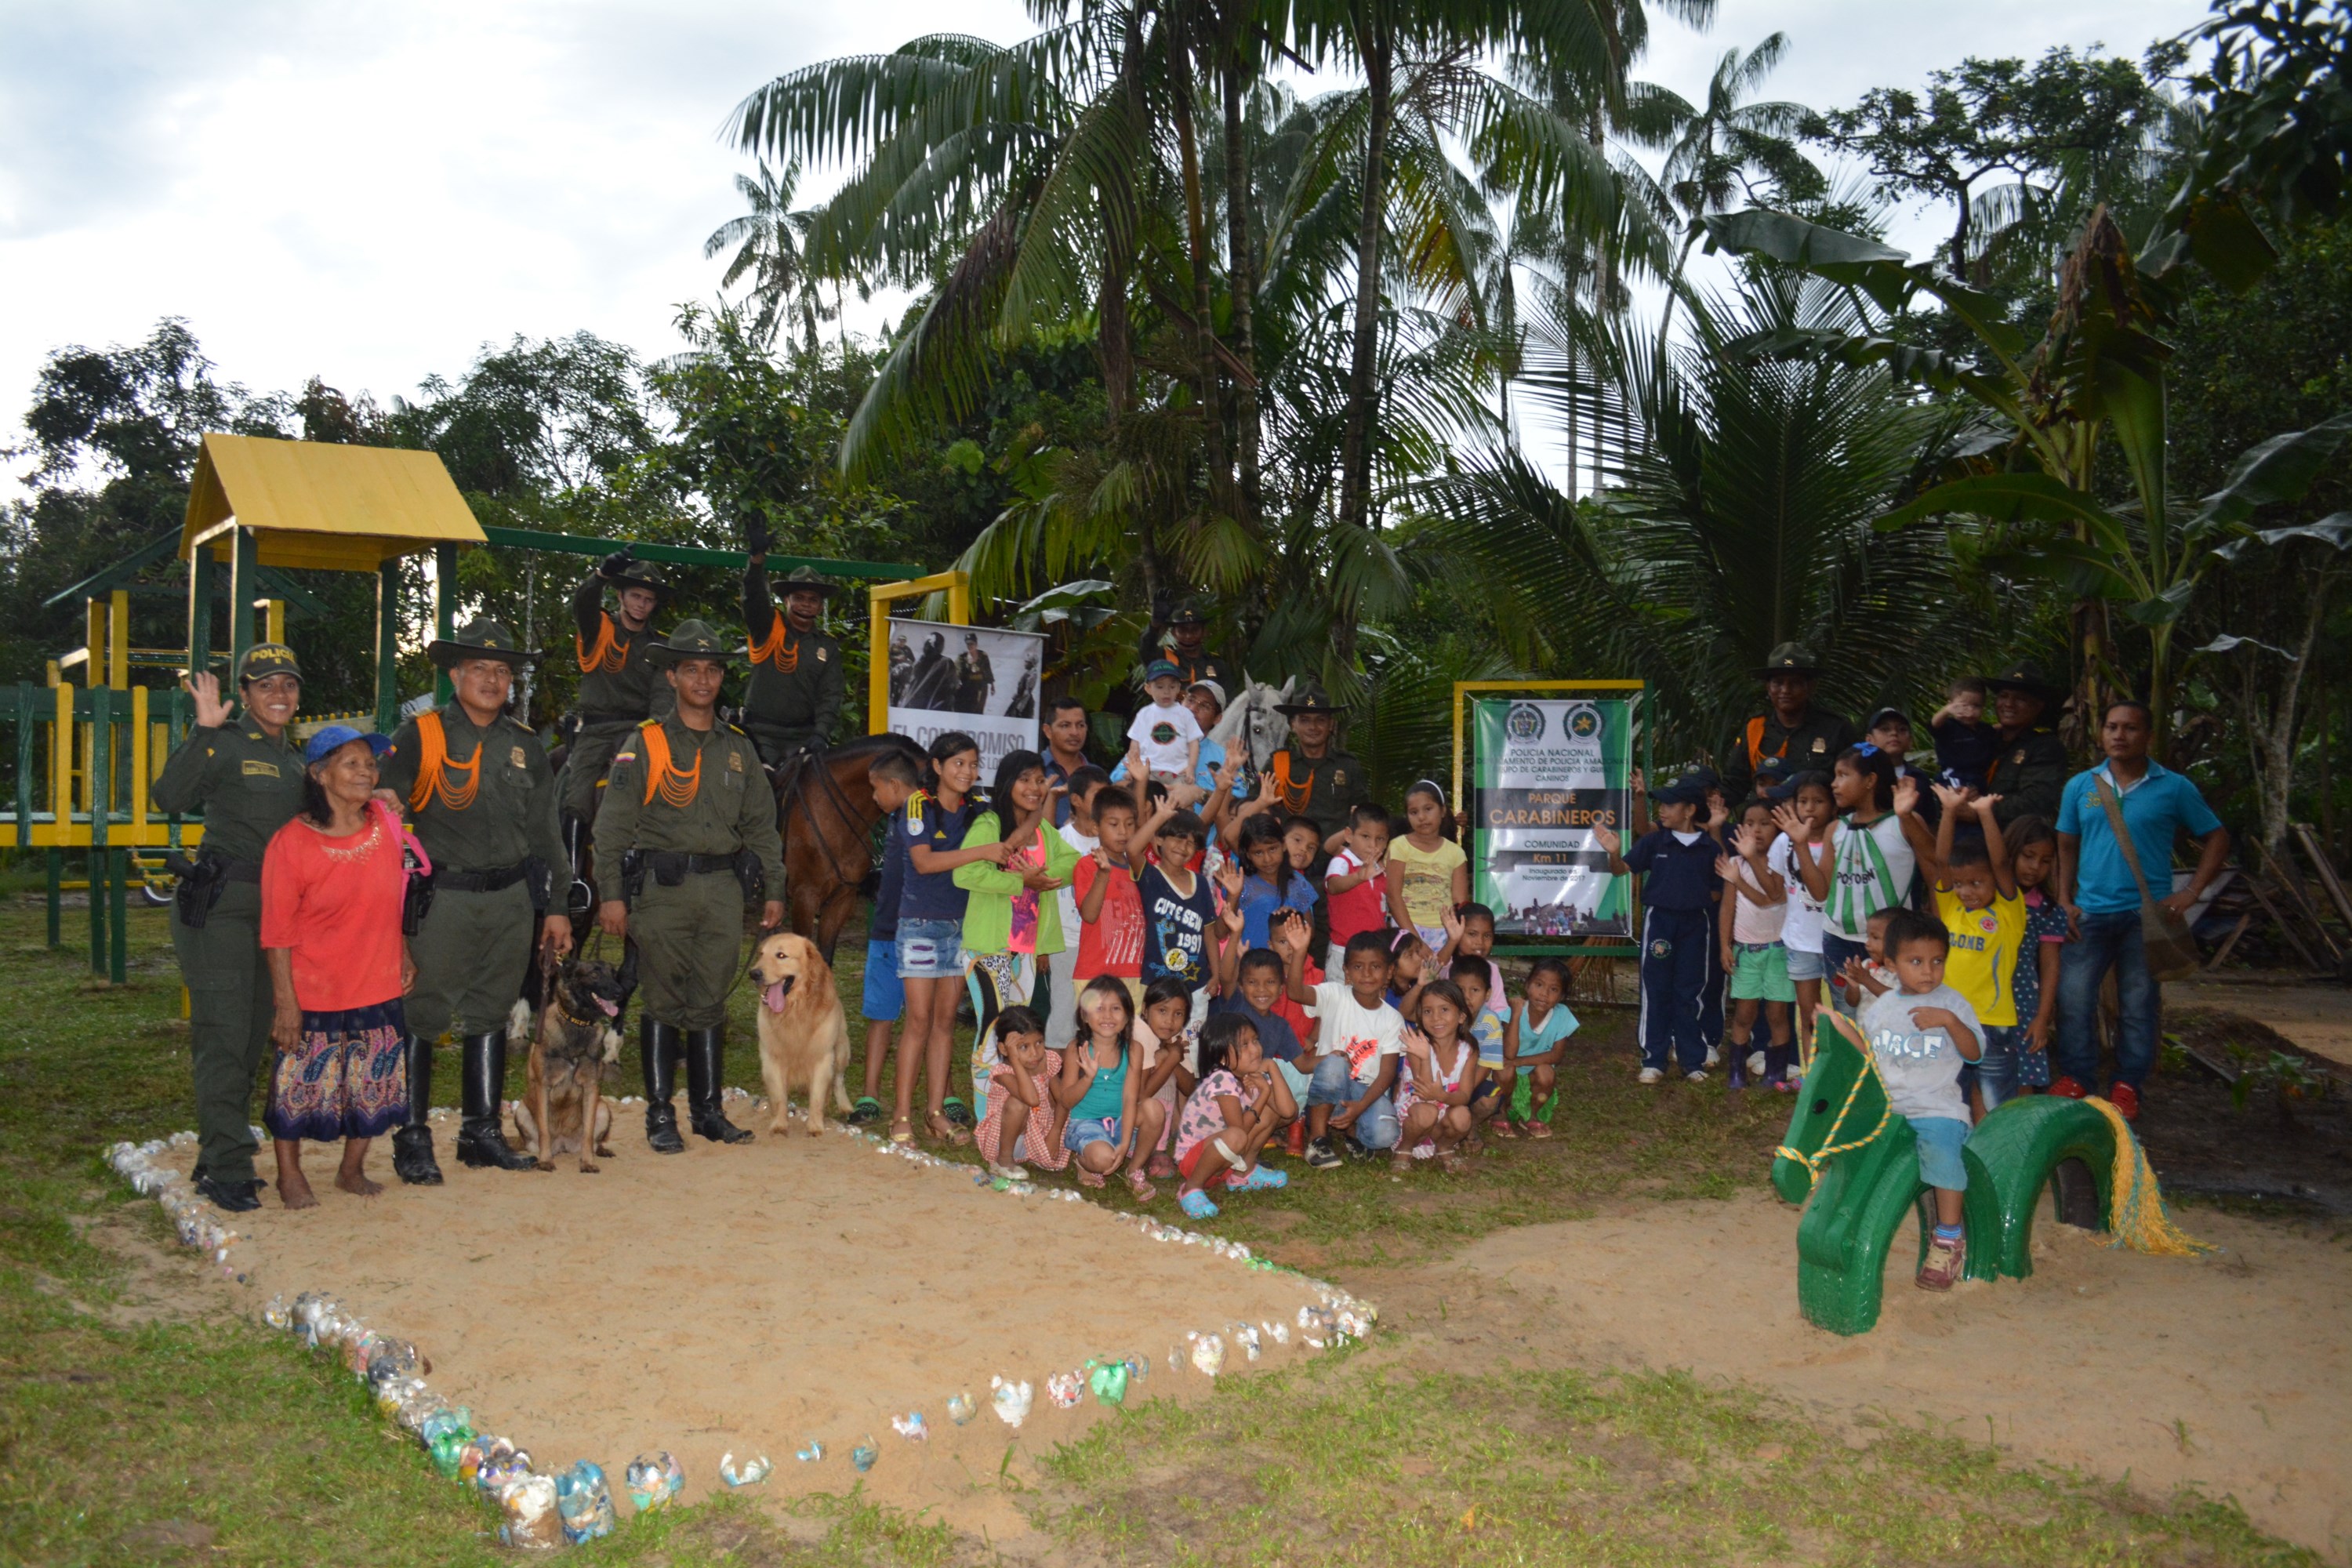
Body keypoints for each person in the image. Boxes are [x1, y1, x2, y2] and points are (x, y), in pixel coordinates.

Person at [379, 618, 571, 1184]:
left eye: (502, 670)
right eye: (480, 668)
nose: (491, 679)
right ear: (456, 674)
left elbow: (546, 832)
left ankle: (479, 1132)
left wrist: (556, 903)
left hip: (510, 898)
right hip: (444, 898)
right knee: (425, 1011)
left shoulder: (525, 745)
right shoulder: (422, 735)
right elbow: (387, 814)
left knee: (490, 1010)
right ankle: (412, 1136)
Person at [592, 619, 787, 1153]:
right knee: (663, 1000)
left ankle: (706, 1113)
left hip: (723, 891)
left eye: (713, 670)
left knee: (709, 1002)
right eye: (692, 670)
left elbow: (761, 827)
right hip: (663, 890)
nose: (704, 679)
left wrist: (775, 887)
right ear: (673, 676)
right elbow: (611, 826)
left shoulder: (739, 749)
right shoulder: (646, 743)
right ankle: (660, 1114)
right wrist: (610, 892)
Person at [153, 644, 310, 1212]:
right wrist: (203, 732)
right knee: (222, 1035)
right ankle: (227, 1167)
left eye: (288, 685)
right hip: (221, 907)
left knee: (250, 1038)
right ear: (244, 693)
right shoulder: (224, 743)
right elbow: (170, 796)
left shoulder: (296, 761)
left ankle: (216, 1151)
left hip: (275, 918)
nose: (278, 695)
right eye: (264, 684)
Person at [259, 726, 415, 1209]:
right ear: (319, 774)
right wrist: (286, 1002)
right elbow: (277, 933)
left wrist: (404, 953)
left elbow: (395, 898)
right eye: (351, 763)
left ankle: (351, 1170)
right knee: (298, 1088)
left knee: (375, 1083)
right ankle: (290, 1176)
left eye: (370, 763)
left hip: (377, 980)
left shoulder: (386, 826)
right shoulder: (291, 843)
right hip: (316, 988)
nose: (366, 771)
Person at [2052, 701, 2230, 1118]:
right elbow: (2065, 842)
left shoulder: (2174, 787)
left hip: (2145, 917)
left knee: (2138, 1001)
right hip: (2089, 913)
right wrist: (2064, 898)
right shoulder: (2081, 785)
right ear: (2101, 733)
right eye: (2112, 727)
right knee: (2072, 997)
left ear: (2147, 735)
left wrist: (2192, 892)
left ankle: (2127, 1086)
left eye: (2130, 728)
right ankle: (2078, 1078)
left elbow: (2217, 838)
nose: (2119, 735)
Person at [1842, 909, 1984, 1290]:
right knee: (1853, 1150)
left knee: (1942, 1153)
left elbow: (1975, 1054)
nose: (1928, 971)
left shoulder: (1953, 1004)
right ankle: (1851, 1226)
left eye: (1937, 961)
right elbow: (1868, 1057)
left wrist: (1951, 1023)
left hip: (1936, 1106)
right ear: (1890, 963)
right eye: (1916, 961)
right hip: (1889, 1106)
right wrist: (1838, 1027)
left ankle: (1948, 1239)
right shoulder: (1883, 1007)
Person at [884, 731, 1002, 1146]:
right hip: (919, 924)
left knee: (945, 1022)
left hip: (961, 928)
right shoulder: (920, 804)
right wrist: (984, 852)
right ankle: (900, 1115)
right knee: (917, 1020)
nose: (967, 772)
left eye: (973, 764)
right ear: (937, 767)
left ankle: (936, 1114)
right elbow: (924, 861)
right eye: (958, 764)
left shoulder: (979, 808)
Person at [956, 750, 1080, 1119]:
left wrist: (1041, 874)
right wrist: (1019, 879)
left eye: (1040, 780)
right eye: (1025, 779)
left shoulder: (1043, 830)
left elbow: (1074, 862)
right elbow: (964, 874)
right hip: (989, 948)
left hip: (1027, 952)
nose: (1034, 787)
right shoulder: (990, 825)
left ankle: (1012, 1111)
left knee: (1018, 1037)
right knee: (992, 1032)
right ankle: (986, 1120)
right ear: (1009, 783)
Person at [1776, 747, 1935, 998]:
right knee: (1848, 1019)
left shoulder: (1903, 822)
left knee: (1896, 1012)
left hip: (1893, 941)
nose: (1835, 784)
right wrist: (1800, 845)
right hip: (1839, 939)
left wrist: (1905, 815)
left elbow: (1935, 864)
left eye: (1843, 775)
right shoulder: (1836, 829)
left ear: (1870, 780)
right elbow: (1819, 893)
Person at [1594, 775, 1720, 1084]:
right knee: (1656, 988)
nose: (1661, 810)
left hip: (1695, 925)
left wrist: (1690, 900)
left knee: (1690, 990)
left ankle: (1692, 1060)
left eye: (1669, 804)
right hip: (1660, 922)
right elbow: (1621, 869)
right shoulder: (1654, 841)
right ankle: (1654, 1059)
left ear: (1690, 810)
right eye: (1660, 803)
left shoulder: (1708, 848)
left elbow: (1717, 891)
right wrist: (1613, 852)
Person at [559, 548, 671, 866]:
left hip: (638, 731)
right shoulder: (599, 628)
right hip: (596, 730)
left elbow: (663, 697)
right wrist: (601, 576)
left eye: (649, 599)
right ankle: (572, 875)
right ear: (620, 595)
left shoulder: (660, 646)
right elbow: (582, 605)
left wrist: (654, 730)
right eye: (636, 596)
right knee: (577, 797)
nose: (642, 604)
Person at [1923, 786, 2026, 1115]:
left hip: (1992, 1024)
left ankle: (2002, 1163)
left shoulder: (2008, 914)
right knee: (1955, 1098)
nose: (1966, 891)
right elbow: (1941, 861)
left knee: (1996, 1103)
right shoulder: (1952, 909)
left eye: (1977, 883)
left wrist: (1984, 814)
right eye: (1959, 884)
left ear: (1994, 881)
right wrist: (1949, 812)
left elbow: (2001, 862)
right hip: (1950, 1021)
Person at [847, 749, 923, 1127]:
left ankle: (934, 1097)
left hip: (923, 933)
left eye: (877, 789)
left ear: (895, 785)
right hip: (886, 933)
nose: (874, 797)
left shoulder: (929, 818)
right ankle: (870, 1094)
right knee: (881, 1015)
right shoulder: (891, 820)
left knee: (923, 1019)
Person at [1287, 927, 1404, 1166]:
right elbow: (1295, 992)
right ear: (1347, 971)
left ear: (1389, 972)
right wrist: (1300, 951)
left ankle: (1352, 1131)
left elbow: (1387, 1073)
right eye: (1358, 966)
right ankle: (1318, 1140)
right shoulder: (1334, 995)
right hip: (1327, 1090)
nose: (1367, 974)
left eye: (1376, 966)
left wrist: (1361, 1106)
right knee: (1335, 1062)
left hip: (1365, 1093)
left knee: (1385, 1135)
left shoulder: (1393, 1019)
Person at [739, 524, 846, 764]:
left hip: (802, 738)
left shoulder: (827, 647)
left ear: (820, 607)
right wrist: (756, 560)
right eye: (798, 598)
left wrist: (821, 733)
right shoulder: (767, 627)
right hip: (759, 733)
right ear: (786, 600)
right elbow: (753, 599)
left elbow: (831, 695)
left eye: (813, 600)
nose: (806, 605)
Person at [1053, 975, 1165, 1200]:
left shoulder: (1134, 1049)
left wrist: (1124, 1143)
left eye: (1115, 1008)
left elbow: (1130, 1098)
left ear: (1126, 1017)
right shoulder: (1077, 1048)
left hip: (1121, 1121)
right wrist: (1088, 1078)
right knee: (1102, 1160)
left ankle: (1134, 1169)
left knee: (1154, 1109)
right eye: (1099, 1008)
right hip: (1085, 1124)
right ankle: (1083, 1162)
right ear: (1085, 1015)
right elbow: (1066, 1101)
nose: (1107, 1016)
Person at [1173, 1011, 1294, 1218]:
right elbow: (1238, 1130)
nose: (1255, 1049)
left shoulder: (1250, 1077)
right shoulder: (1222, 1079)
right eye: (1244, 1045)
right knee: (1237, 1134)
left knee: (1269, 1112)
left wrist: (1272, 1068)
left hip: (1227, 1159)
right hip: (1196, 1162)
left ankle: (1242, 1174)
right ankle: (1191, 1188)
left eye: (1255, 1040)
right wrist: (1264, 1093)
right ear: (1222, 1056)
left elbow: (1289, 1112)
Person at [1720, 642, 1860, 806]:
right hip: (1766, 826)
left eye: (1794, 683)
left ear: (1810, 687)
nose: (1785, 690)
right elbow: (1735, 784)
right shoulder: (1755, 729)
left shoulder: (1836, 728)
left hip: (1818, 825)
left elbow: (1854, 782)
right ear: (1768, 687)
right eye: (1778, 683)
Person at [1717, 801, 1795, 1090]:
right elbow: (1727, 907)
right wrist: (1725, 945)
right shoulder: (1735, 864)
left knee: (1777, 1014)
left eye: (1764, 823)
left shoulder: (1785, 863)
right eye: (1749, 823)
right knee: (1744, 1014)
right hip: (1746, 953)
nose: (1756, 829)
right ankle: (1736, 1070)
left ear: (1778, 829)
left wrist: (1746, 869)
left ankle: (1776, 1071)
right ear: (1740, 828)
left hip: (1778, 951)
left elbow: (1772, 899)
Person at [1766, 772, 1836, 1065]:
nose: (1810, 808)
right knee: (1809, 1015)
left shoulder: (1840, 838)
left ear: (1832, 806)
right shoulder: (1783, 842)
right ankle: (1812, 1079)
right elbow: (1774, 892)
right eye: (1803, 801)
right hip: (1801, 943)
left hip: (1836, 941)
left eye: (1818, 801)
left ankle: (1842, 1076)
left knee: (1840, 1016)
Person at [1042, 764, 1112, 1045]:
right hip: (1068, 941)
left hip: (1103, 942)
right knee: (1064, 1013)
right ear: (1077, 801)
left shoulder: (1112, 840)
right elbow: (1045, 888)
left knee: (1099, 1011)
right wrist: (1044, 945)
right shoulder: (1063, 839)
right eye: (1098, 796)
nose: (1105, 803)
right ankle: (1055, 1081)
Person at [2003, 815, 2067, 1094]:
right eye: (2028, 856)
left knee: (2023, 1074)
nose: (2035, 867)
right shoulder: (1986, 898)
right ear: (2010, 851)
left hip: (2024, 1001)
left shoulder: (2047, 910)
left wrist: (2042, 1017)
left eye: (2045, 861)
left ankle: (2022, 1131)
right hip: (1982, 997)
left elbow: (2050, 965)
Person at [1138, 808, 1219, 1019]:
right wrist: (1160, 817)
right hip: (1157, 981)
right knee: (1152, 1043)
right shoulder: (1150, 876)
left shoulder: (1200, 883)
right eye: (1177, 838)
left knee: (1192, 1044)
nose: (1183, 847)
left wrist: (1216, 973)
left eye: (1191, 843)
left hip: (1196, 983)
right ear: (1158, 839)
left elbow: (1208, 932)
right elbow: (1132, 849)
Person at [972, 1006, 1069, 1179]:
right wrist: (1016, 1061)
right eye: (1023, 1047)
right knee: (1019, 1102)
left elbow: (1063, 1100)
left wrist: (1055, 1132)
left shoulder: (1047, 1061)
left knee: (1051, 1092)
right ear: (1004, 1050)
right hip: (1007, 1142)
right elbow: (1031, 1099)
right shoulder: (1003, 1072)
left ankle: (1036, 1154)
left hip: (1037, 1134)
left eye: (1039, 1043)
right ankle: (1003, 1161)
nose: (1034, 1053)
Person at [1261, 688, 1363, 850]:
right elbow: (1255, 808)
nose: (1313, 727)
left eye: (1320, 720)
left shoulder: (1348, 766)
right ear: (1293, 725)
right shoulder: (1277, 764)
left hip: (1337, 860)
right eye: (1305, 720)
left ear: (1331, 724)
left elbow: (1362, 817)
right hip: (1290, 862)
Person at [1393, 980, 1479, 1174]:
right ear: (1420, 1017)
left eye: (1444, 1010)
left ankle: (1444, 1147)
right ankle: (1405, 1148)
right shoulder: (1418, 1045)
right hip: (1414, 1112)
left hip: (1444, 1107)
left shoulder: (1469, 1050)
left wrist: (1444, 1096)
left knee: (1463, 1116)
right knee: (1427, 1112)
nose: (1436, 1018)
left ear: (1461, 1016)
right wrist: (1424, 1057)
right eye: (1427, 1011)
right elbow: (1424, 1094)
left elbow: (1464, 1095)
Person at [1980, 662, 2070, 827]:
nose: (2009, 704)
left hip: (2015, 843)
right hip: (1967, 840)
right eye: (2004, 695)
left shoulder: (2046, 747)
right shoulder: (1984, 739)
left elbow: (2035, 803)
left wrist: (1979, 811)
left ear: (2038, 706)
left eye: (2020, 698)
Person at [1386, 781, 1468, 951]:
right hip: (1405, 930)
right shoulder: (1399, 846)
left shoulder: (1456, 853)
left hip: (1444, 933)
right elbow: (1393, 897)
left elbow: (1459, 902)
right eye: (1414, 812)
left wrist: (1453, 938)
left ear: (1443, 810)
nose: (1422, 817)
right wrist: (1415, 939)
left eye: (1428, 809)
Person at [1501, 956, 1579, 1131]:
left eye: (1554, 989)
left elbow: (1556, 1055)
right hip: (1508, 1074)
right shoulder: (1514, 1009)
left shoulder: (1562, 1015)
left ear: (1562, 996)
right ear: (1527, 985)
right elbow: (1509, 1054)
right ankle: (1501, 1112)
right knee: (1504, 1068)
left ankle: (1531, 1115)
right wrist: (1515, 1015)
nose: (1544, 994)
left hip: (1532, 1075)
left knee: (1547, 1072)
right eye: (1539, 985)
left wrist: (1519, 1062)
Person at [1230, 813, 1317, 952]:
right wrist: (1233, 895)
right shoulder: (1240, 884)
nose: (1267, 859)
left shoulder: (1298, 884)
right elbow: (1220, 932)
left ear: (1283, 845)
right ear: (1248, 854)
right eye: (1258, 853)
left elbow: (1310, 933)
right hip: (1248, 966)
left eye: (1272, 849)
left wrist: (1296, 918)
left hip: (1286, 969)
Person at [1322, 802, 1391, 976]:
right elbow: (1333, 886)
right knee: (1340, 1001)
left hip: (1375, 952)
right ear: (1349, 835)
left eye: (1380, 839)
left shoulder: (1381, 870)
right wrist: (1358, 877)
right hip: (1344, 951)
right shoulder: (1343, 861)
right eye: (1365, 836)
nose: (1373, 845)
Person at [1125, 660, 1203, 787]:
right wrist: (1133, 767)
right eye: (1160, 687)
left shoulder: (1185, 714)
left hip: (1179, 772)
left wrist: (1191, 767)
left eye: (1172, 687)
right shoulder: (1144, 714)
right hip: (1149, 772)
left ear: (1179, 688)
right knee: (1145, 802)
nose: (1166, 692)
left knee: (1184, 802)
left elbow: (1194, 743)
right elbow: (1135, 743)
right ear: (1148, 688)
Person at [1138, 601, 1234, 691]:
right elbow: (1146, 649)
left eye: (1194, 630)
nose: (1188, 636)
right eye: (1182, 630)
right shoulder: (1164, 658)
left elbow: (1229, 700)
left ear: (1204, 632)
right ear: (1174, 633)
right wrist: (1156, 623)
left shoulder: (1217, 664)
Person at [1929, 677, 1998, 793]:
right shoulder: (1948, 726)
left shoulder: (1984, 729)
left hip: (1979, 776)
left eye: (1977, 706)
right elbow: (1934, 724)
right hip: (1956, 775)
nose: (1970, 711)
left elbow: (1995, 730)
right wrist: (1946, 711)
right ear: (1951, 705)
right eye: (1963, 706)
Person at [1040, 696, 1092, 827]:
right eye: (1065, 725)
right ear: (1048, 731)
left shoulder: (1096, 775)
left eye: (1080, 725)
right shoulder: (1034, 772)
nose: (1075, 732)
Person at [953, 633, 996, 714]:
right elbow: (957, 671)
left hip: (981, 688)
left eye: (972, 643)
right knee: (967, 710)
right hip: (967, 688)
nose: (970, 646)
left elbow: (988, 670)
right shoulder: (962, 657)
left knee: (978, 711)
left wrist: (992, 685)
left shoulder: (983, 656)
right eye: (968, 644)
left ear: (976, 644)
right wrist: (957, 681)